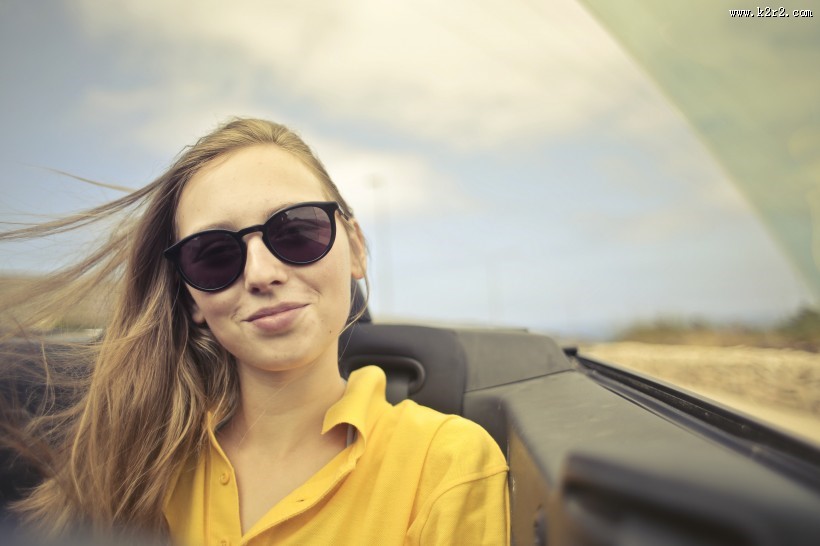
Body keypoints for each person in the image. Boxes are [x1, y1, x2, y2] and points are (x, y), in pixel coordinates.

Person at [0, 119, 509, 544]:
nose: (261, 273)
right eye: (214, 254)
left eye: (297, 230)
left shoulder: (448, 464)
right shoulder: (136, 458)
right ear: (191, 300)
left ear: (354, 247)